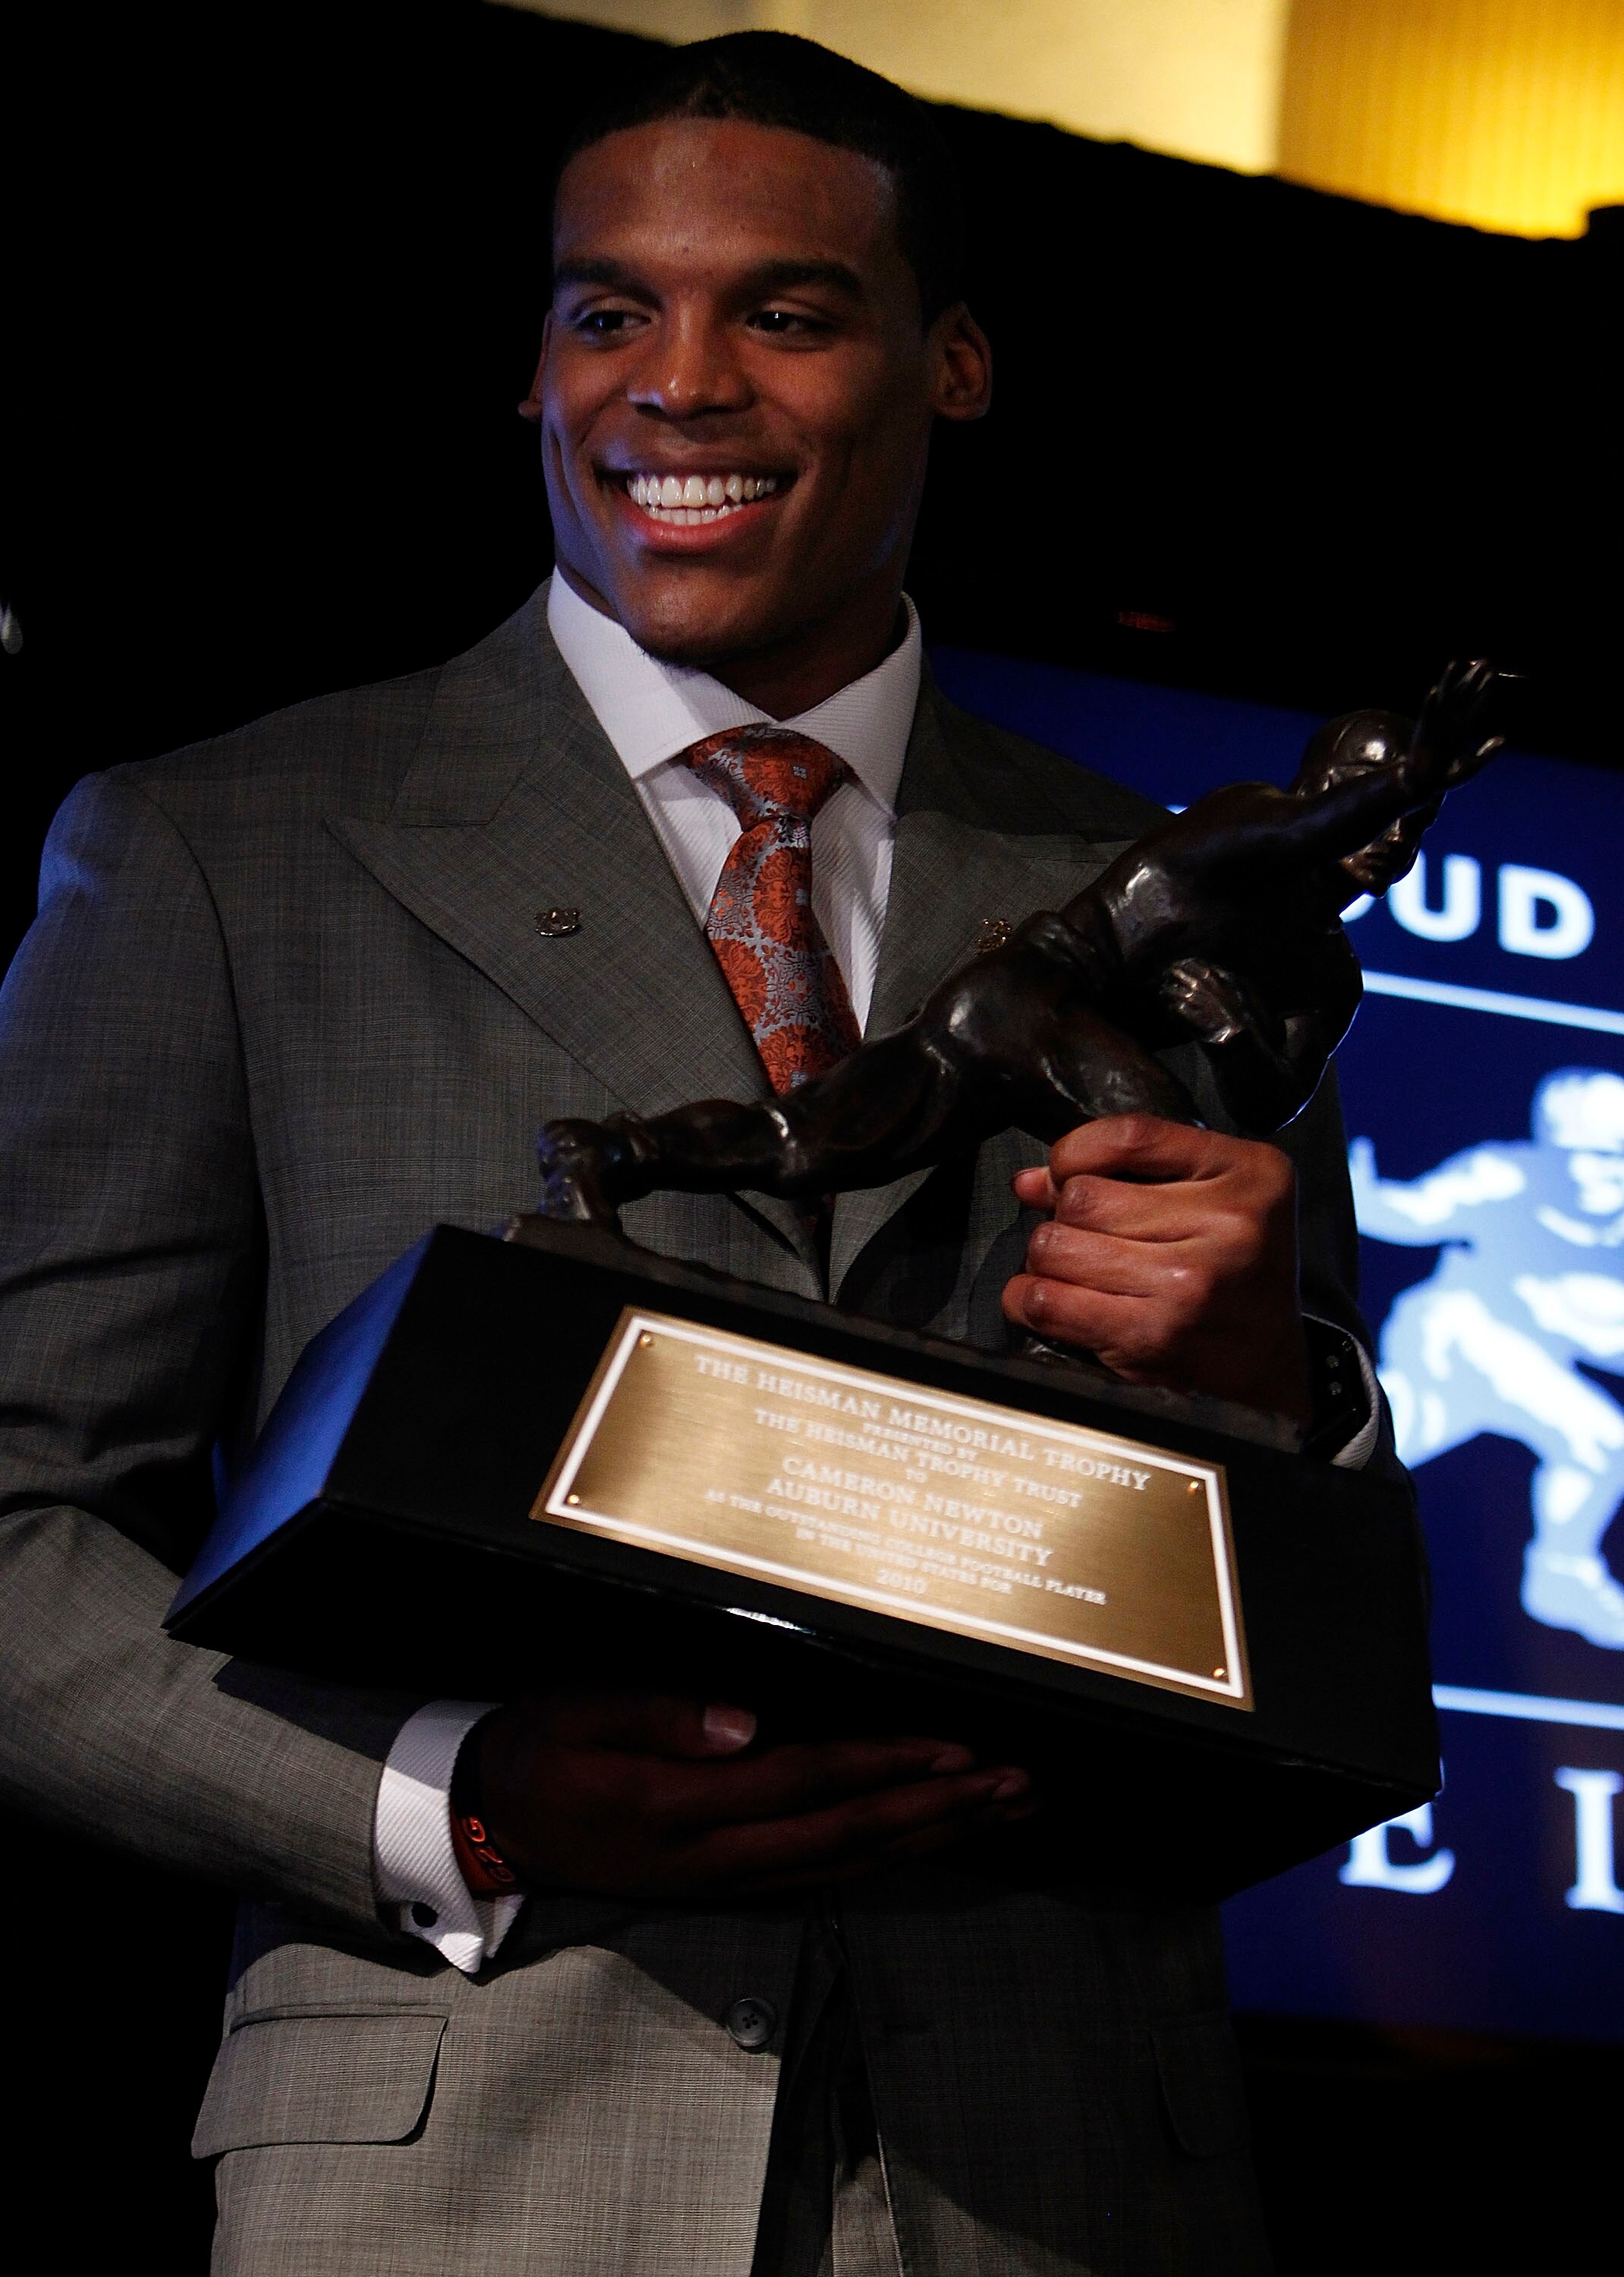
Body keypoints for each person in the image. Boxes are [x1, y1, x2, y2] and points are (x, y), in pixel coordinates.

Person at [0, 33, 1387, 2275]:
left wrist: (1268, 1396)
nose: (683, 383)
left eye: (788, 310)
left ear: (948, 363)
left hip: (1055, 2173)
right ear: (531, 367)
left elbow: (1311, 1596)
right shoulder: (222, 851)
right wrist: (461, 1790)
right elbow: (10, 1536)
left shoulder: (1154, 890)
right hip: (465, 2177)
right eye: (607, 309)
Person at [1354, 1065, 1624, 1649]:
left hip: (1531, 1364)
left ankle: (1562, 1574)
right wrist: (1360, 1189)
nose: (1612, 1175)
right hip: (1456, 1337)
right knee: (1600, 1440)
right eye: (1598, 1155)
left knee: (1392, 1440)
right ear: (1556, 1147)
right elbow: (1411, 1215)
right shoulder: (1504, 1175)